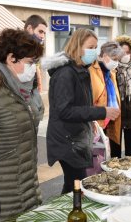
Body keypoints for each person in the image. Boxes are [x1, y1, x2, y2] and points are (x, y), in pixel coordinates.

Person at [0, 29, 44, 222]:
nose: (33, 69)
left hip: (27, 195)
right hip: (3, 203)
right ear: (12, 58)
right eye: (30, 63)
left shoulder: (17, 89)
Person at [45, 28, 120, 194]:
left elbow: (80, 104)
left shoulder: (80, 69)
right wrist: (101, 112)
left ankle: (71, 212)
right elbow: (65, 111)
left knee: (75, 183)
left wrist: (90, 121)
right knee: (75, 185)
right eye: (91, 47)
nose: (94, 52)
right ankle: (69, 215)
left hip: (75, 137)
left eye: (95, 47)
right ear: (78, 46)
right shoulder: (66, 73)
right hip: (67, 140)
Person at [89, 41, 124, 156]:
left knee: (107, 155)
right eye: (114, 59)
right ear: (104, 56)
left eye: (118, 60)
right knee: (96, 157)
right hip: (96, 121)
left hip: (109, 120)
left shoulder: (110, 72)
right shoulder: (91, 70)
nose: (116, 63)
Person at [24, 14, 47, 93]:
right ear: (30, 28)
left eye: (44, 33)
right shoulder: (16, 49)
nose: (42, 36)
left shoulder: (34, 52)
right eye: (40, 32)